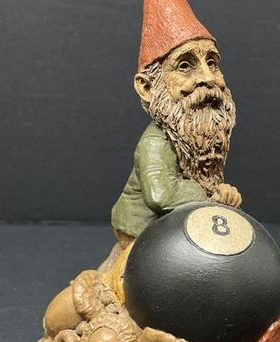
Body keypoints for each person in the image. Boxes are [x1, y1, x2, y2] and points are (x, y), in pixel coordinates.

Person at [103, 0, 242, 268]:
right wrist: (211, 196)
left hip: (180, 229)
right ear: (147, 87)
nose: (208, 78)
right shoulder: (156, 142)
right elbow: (161, 195)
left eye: (212, 62)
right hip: (142, 233)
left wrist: (223, 196)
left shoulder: (198, 133)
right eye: (185, 66)